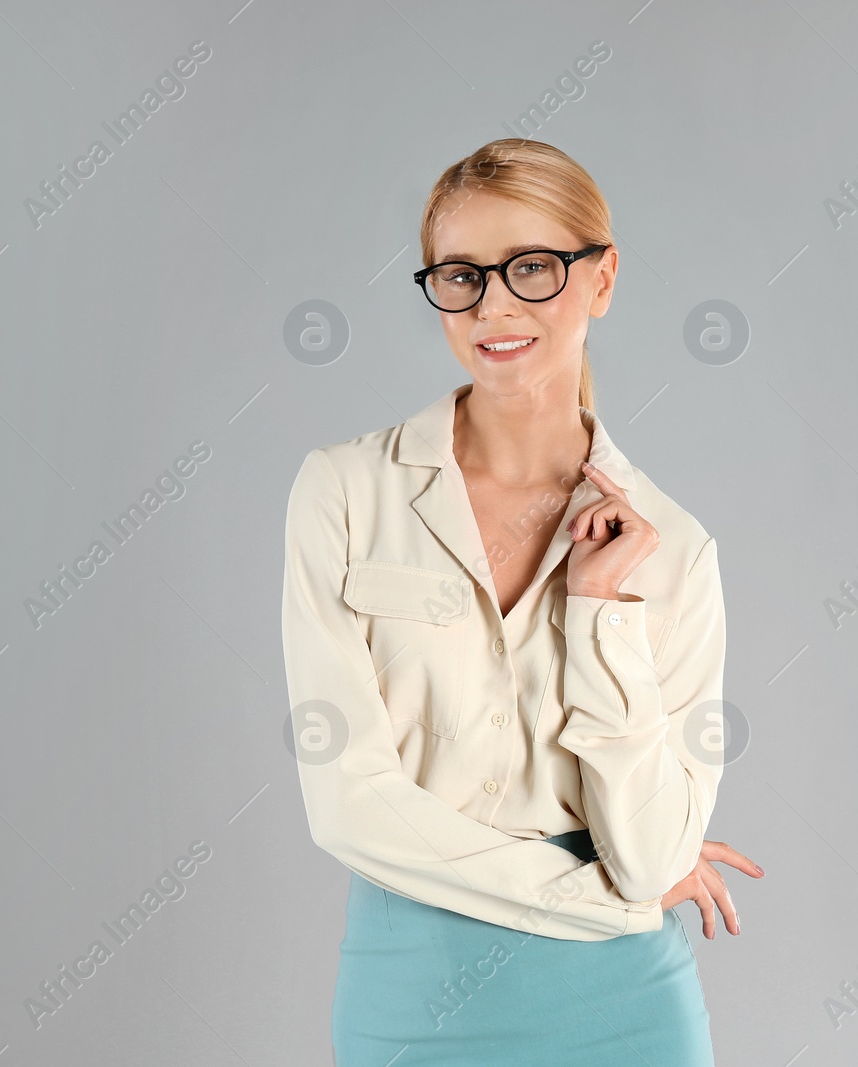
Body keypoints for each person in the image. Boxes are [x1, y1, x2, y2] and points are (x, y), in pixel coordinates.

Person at [282, 138, 762, 1066]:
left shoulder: (676, 549)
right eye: (462, 275)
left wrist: (600, 612)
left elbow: (657, 851)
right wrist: (595, 900)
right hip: (414, 990)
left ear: (603, 276)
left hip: (627, 1008)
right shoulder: (343, 492)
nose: (495, 305)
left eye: (533, 268)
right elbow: (347, 801)